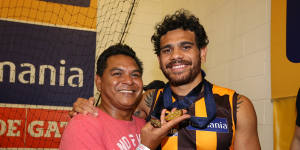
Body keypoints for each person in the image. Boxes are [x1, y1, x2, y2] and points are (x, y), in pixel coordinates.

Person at [70, 9, 261, 149]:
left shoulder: (237, 106)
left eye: (185, 47)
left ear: (202, 53)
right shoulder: (148, 101)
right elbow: (111, 110)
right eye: (167, 50)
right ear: (159, 59)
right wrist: (82, 107)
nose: (175, 56)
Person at [60, 43, 190, 150]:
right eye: (117, 73)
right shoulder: (83, 126)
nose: (129, 81)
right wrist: (145, 147)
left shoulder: (143, 124)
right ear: (99, 82)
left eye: (135, 75)